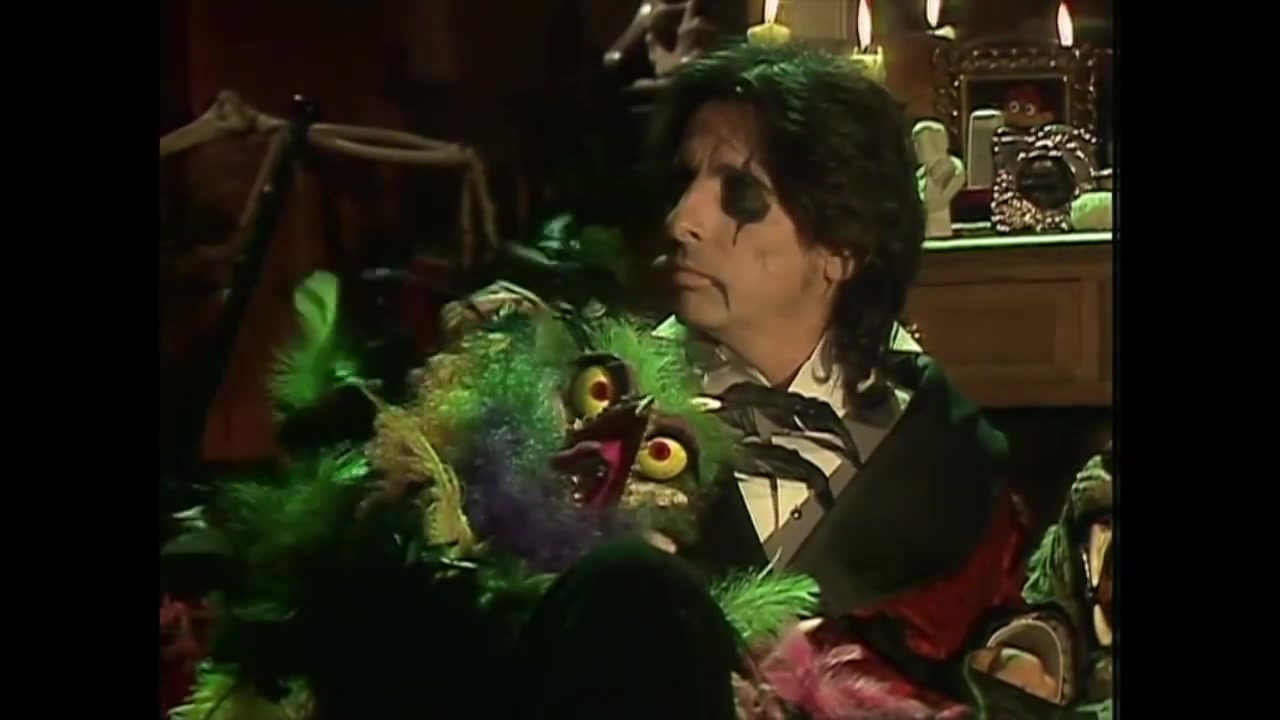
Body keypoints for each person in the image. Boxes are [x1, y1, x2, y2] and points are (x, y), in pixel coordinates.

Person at [452, 43, 1036, 718]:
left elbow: (997, 665)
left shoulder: (950, 456)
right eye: (686, 182)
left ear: (843, 248)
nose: (682, 221)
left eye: (741, 194)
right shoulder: (587, 409)